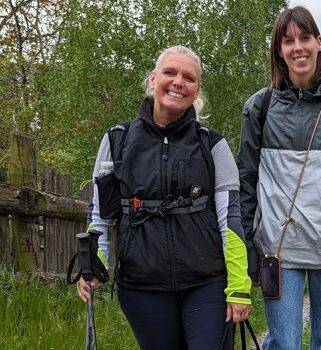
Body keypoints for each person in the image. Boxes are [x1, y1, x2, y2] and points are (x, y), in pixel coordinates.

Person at [76, 45, 251, 349]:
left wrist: (239, 286)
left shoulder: (212, 145)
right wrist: (95, 264)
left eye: (189, 77)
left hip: (207, 283)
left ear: (197, 91)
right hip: (143, 287)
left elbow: (230, 220)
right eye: (170, 72)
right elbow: (100, 216)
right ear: (153, 78)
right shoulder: (117, 140)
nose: (178, 82)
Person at [236, 6, 321, 350]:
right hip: (279, 250)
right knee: (285, 343)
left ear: (319, 43)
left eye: (305, 38)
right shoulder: (260, 107)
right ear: (279, 51)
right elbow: (245, 181)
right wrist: (249, 248)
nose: (298, 47)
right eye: (288, 40)